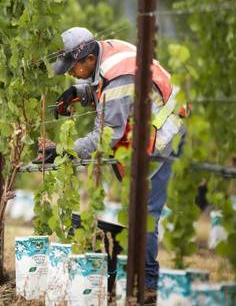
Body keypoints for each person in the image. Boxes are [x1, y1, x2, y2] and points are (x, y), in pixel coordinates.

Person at [42, 27, 186, 301]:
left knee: (143, 213)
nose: (71, 72)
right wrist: (80, 91)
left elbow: (106, 134)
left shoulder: (119, 76)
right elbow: (107, 90)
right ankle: (138, 277)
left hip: (165, 136)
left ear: (88, 58)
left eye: (73, 68)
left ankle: (147, 286)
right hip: (147, 128)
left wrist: (64, 151)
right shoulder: (107, 51)